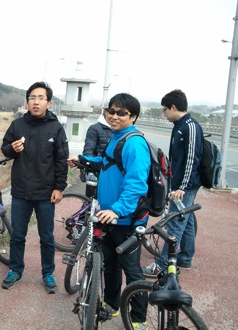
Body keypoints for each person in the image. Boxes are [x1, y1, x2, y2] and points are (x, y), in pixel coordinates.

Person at [68, 93, 150, 330]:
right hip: (110, 216)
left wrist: (117, 210)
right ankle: (113, 305)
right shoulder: (117, 137)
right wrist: (83, 159)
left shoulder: (134, 143)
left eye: (121, 112)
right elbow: (107, 163)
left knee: (132, 269)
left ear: (133, 117)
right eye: (110, 111)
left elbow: (136, 184)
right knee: (110, 264)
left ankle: (138, 319)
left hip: (126, 219)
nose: (114, 116)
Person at [0, 81, 69, 294]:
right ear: (27, 101)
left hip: (46, 193)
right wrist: (11, 148)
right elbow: (5, 149)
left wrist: (59, 188)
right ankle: (15, 269)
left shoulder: (55, 128)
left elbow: (61, 159)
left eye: (40, 98)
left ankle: (48, 273)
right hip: (21, 190)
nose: (36, 102)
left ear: (48, 102)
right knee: (18, 234)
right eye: (32, 98)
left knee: (46, 236)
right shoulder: (17, 125)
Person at [143, 89, 203, 277]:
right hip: (179, 184)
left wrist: (182, 188)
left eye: (165, 109)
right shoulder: (179, 125)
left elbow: (192, 159)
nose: (164, 113)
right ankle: (185, 258)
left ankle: (162, 265)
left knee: (175, 221)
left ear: (174, 107)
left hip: (186, 185)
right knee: (187, 219)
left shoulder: (190, 126)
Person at [81, 111, 113, 197]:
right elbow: (89, 149)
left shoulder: (118, 130)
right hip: (96, 169)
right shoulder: (95, 128)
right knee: (91, 199)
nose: (114, 116)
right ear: (105, 112)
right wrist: (90, 167)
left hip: (110, 171)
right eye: (112, 111)